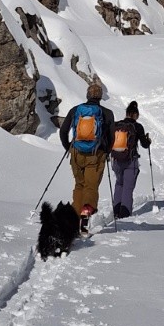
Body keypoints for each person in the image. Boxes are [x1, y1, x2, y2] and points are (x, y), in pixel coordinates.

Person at [59, 78, 115, 232]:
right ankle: (85, 213)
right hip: (96, 155)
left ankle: (73, 219)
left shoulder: (76, 110)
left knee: (79, 185)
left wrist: (68, 147)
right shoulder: (107, 113)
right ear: (100, 97)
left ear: (87, 95)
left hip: (76, 153)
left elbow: (63, 131)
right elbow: (112, 137)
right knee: (91, 186)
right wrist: (107, 151)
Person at [109, 100, 152, 219]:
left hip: (116, 161)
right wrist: (148, 140)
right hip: (130, 161)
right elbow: (144, 144)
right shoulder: (137, 126)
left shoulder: (117, 124)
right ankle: (125, 215)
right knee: (127, 188)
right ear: (135, 114)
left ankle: (116, 211)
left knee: (119, 185)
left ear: (127, 113)